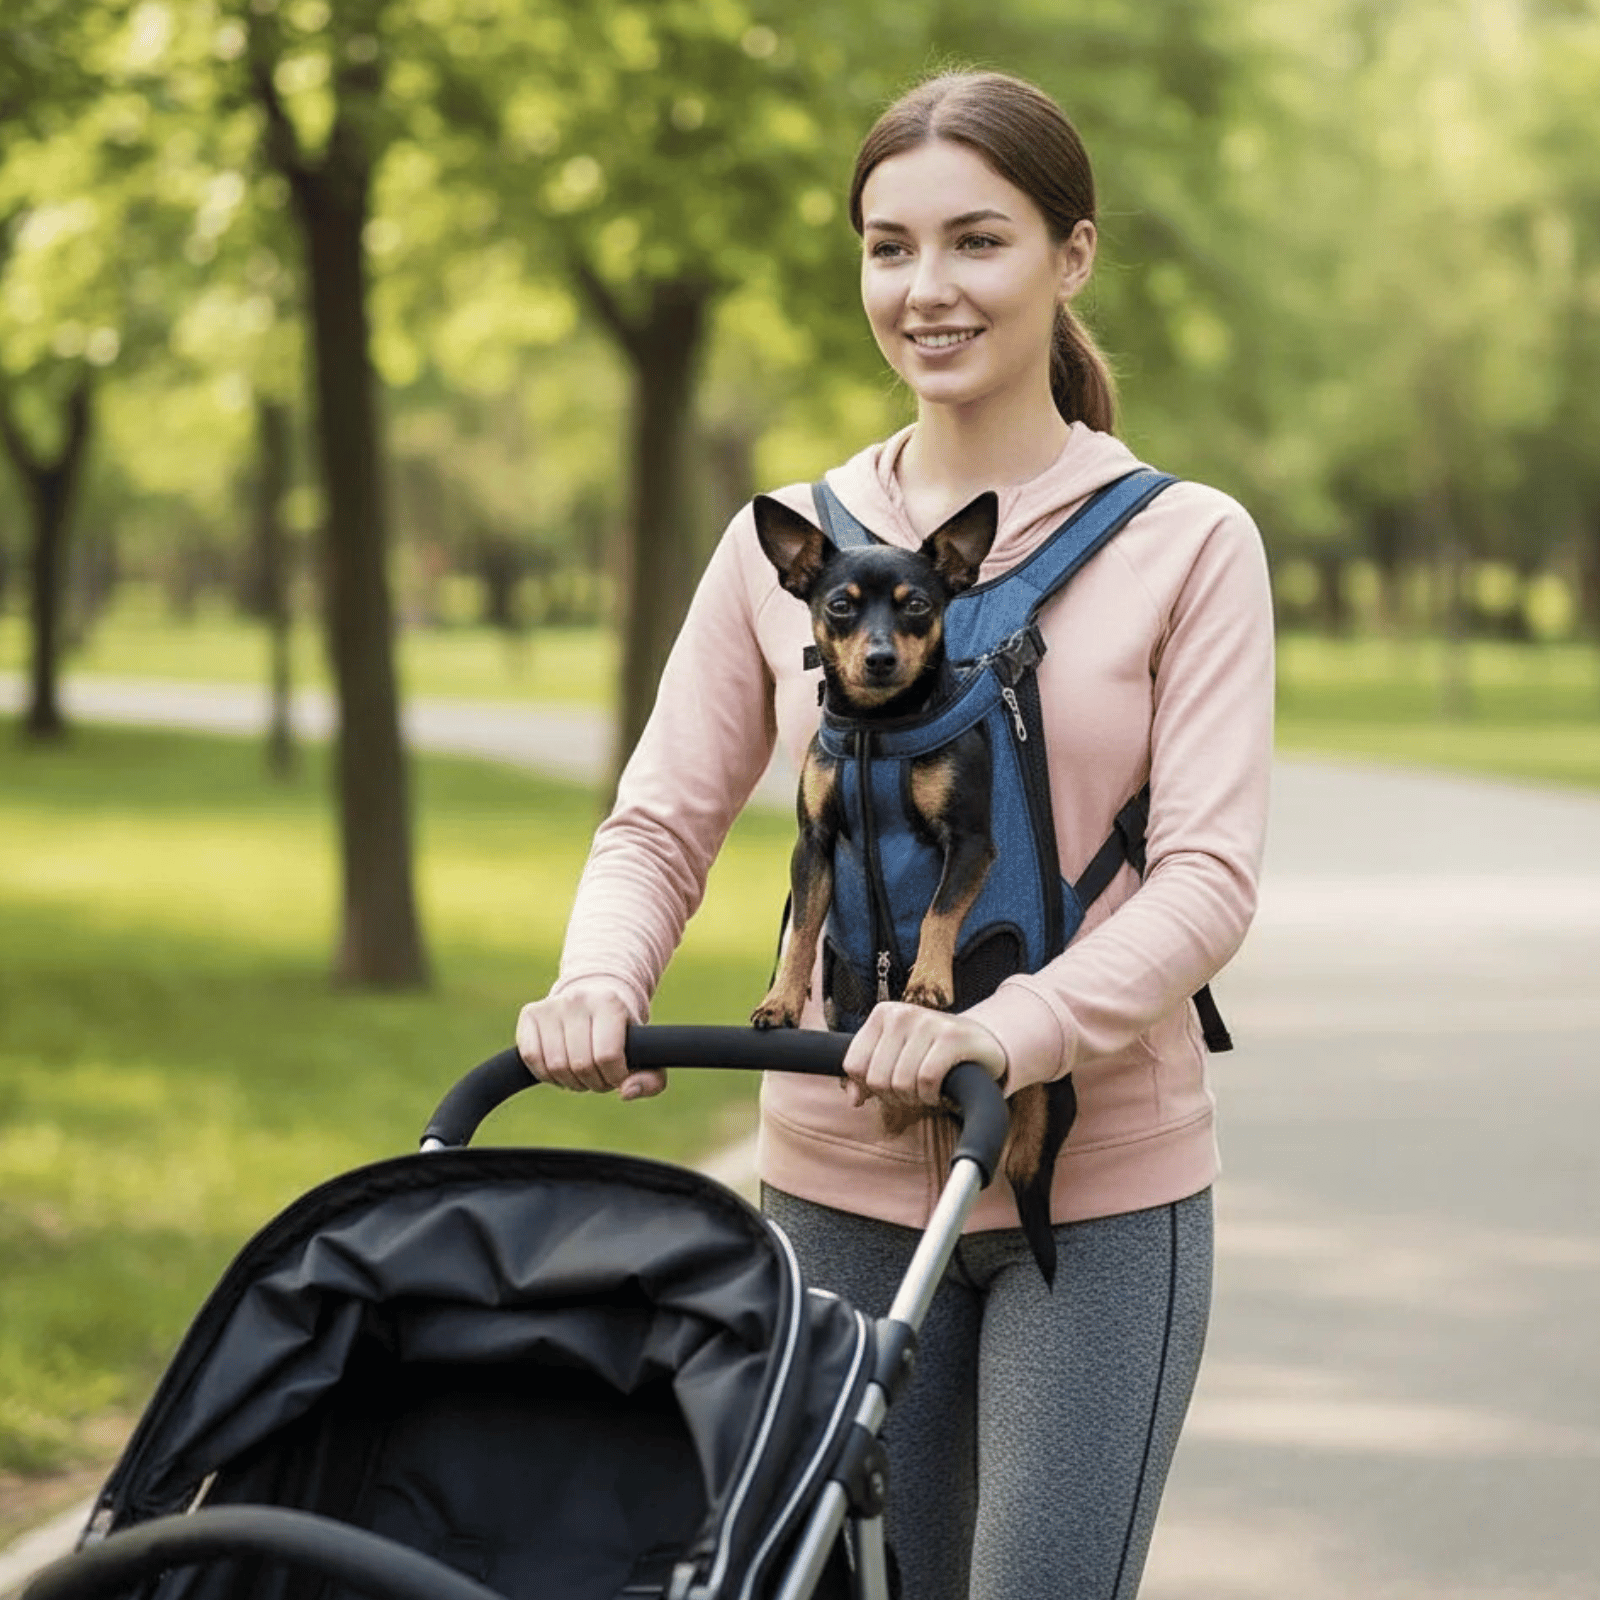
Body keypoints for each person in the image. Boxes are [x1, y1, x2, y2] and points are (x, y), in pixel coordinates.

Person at [516, 69, 1274, 1600]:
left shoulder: (1191, 541)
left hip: (1095, 1195)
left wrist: (1011, 1023)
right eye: (889, 246)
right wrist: (598, 975)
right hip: (833, 1182)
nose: (926, 289)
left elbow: (1206, 876)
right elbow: (663, 816)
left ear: (1072, 256)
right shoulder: (786, 547)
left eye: (976, 242)